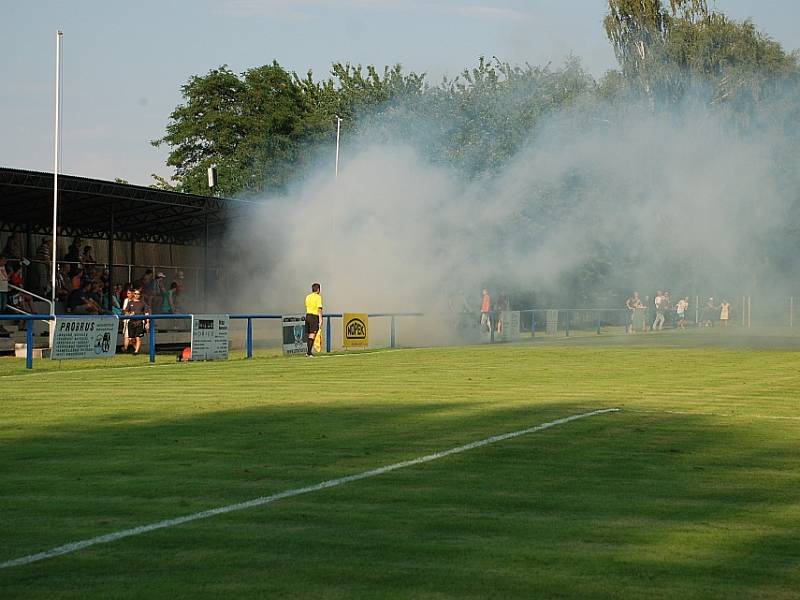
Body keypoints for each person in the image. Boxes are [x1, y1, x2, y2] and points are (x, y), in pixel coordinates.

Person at [304, 282, 323, 357]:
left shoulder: (308, 297)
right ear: (318, 289)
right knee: (312, 335)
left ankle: (308, 352)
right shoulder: (318, 297)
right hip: (314, 317)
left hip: (308, 316)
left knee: (310, 334)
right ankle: (309, 352)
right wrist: (321, 319)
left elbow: (306, 305)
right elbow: (319, 309)